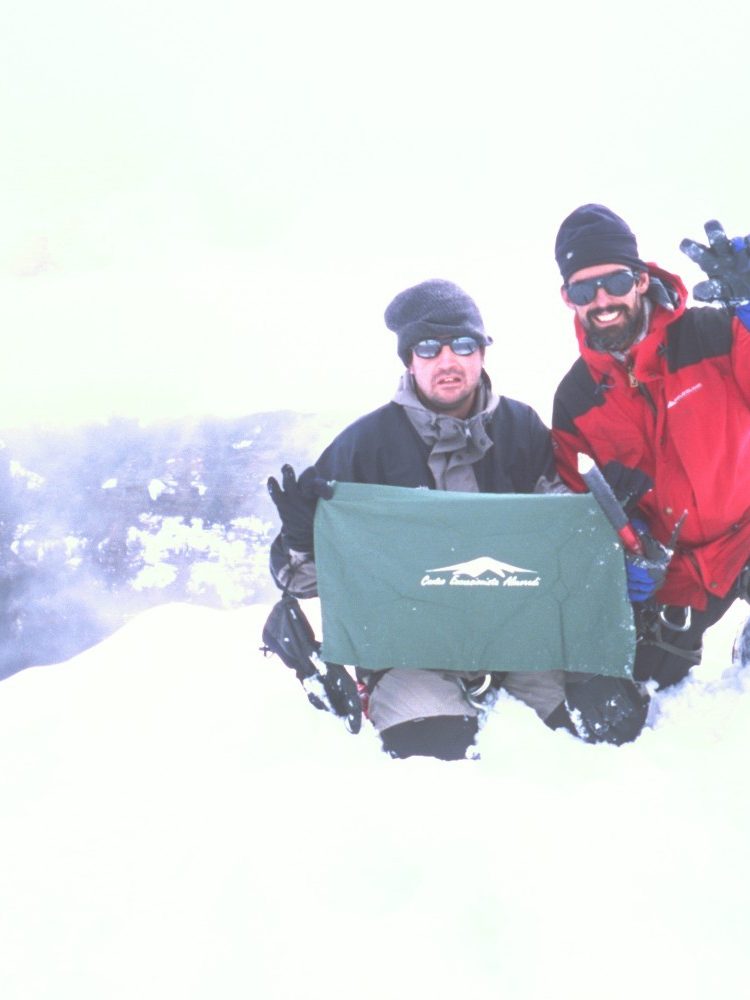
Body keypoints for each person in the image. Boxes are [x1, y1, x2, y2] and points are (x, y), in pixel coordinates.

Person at [267, 279, 650, 760]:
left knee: (610, 722)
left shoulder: (520, 428)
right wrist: (303, 539)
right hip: (412, 650)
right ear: (409, 360)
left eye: (463, 345)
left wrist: (601, 519)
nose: (448, 360)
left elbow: (558, 536)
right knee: (434, 749)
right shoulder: (364, 446)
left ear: (482, 353)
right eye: (428, 348)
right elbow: (303, 582)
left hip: (522, 640)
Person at [552, 205, 750, 692]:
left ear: (640, 280)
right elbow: (584, 503)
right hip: (678, 569)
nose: (602, 299)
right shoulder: (575, 400)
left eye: (615, 281)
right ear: (567, 298)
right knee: (645, 683)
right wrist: (625, 547)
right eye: (583, 289)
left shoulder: (716, 334)